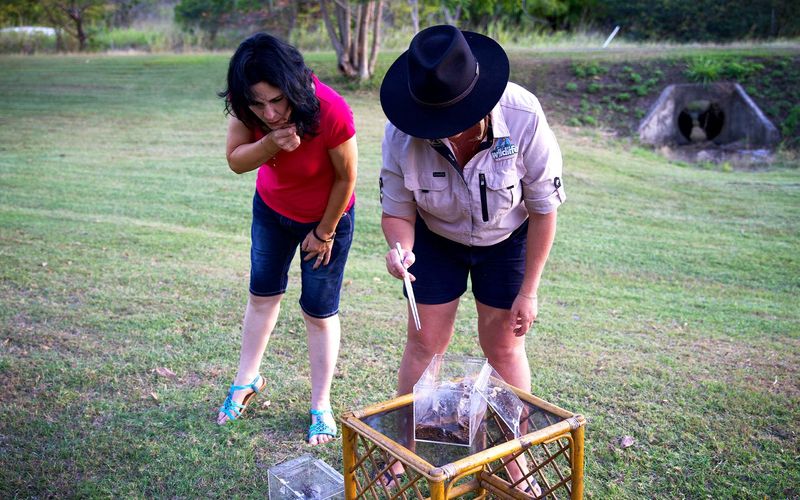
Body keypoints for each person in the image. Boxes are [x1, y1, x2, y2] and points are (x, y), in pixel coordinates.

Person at [379, 25, 565, 491]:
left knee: (504, 346)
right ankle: (403, 450)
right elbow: (396, 210)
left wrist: (530, 291)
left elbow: (544, 212)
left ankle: (516, 461)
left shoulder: (522, 115)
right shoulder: (401, 132)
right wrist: (400, 249)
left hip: (507, 239)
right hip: (435, 239)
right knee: (424, 344)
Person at [216, 32, 358, 447]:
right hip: (272, 212)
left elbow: (347, 177)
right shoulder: (250, 108)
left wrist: (325, 231)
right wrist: (268, 142)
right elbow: (235, 161)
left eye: (277, 100)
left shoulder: (331, 109)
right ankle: (246, 381)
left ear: (293, 86)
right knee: (261, 295)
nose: (271, 111)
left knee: (318, 311)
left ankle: (321, 405)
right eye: (259, 104)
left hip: (327, 217)